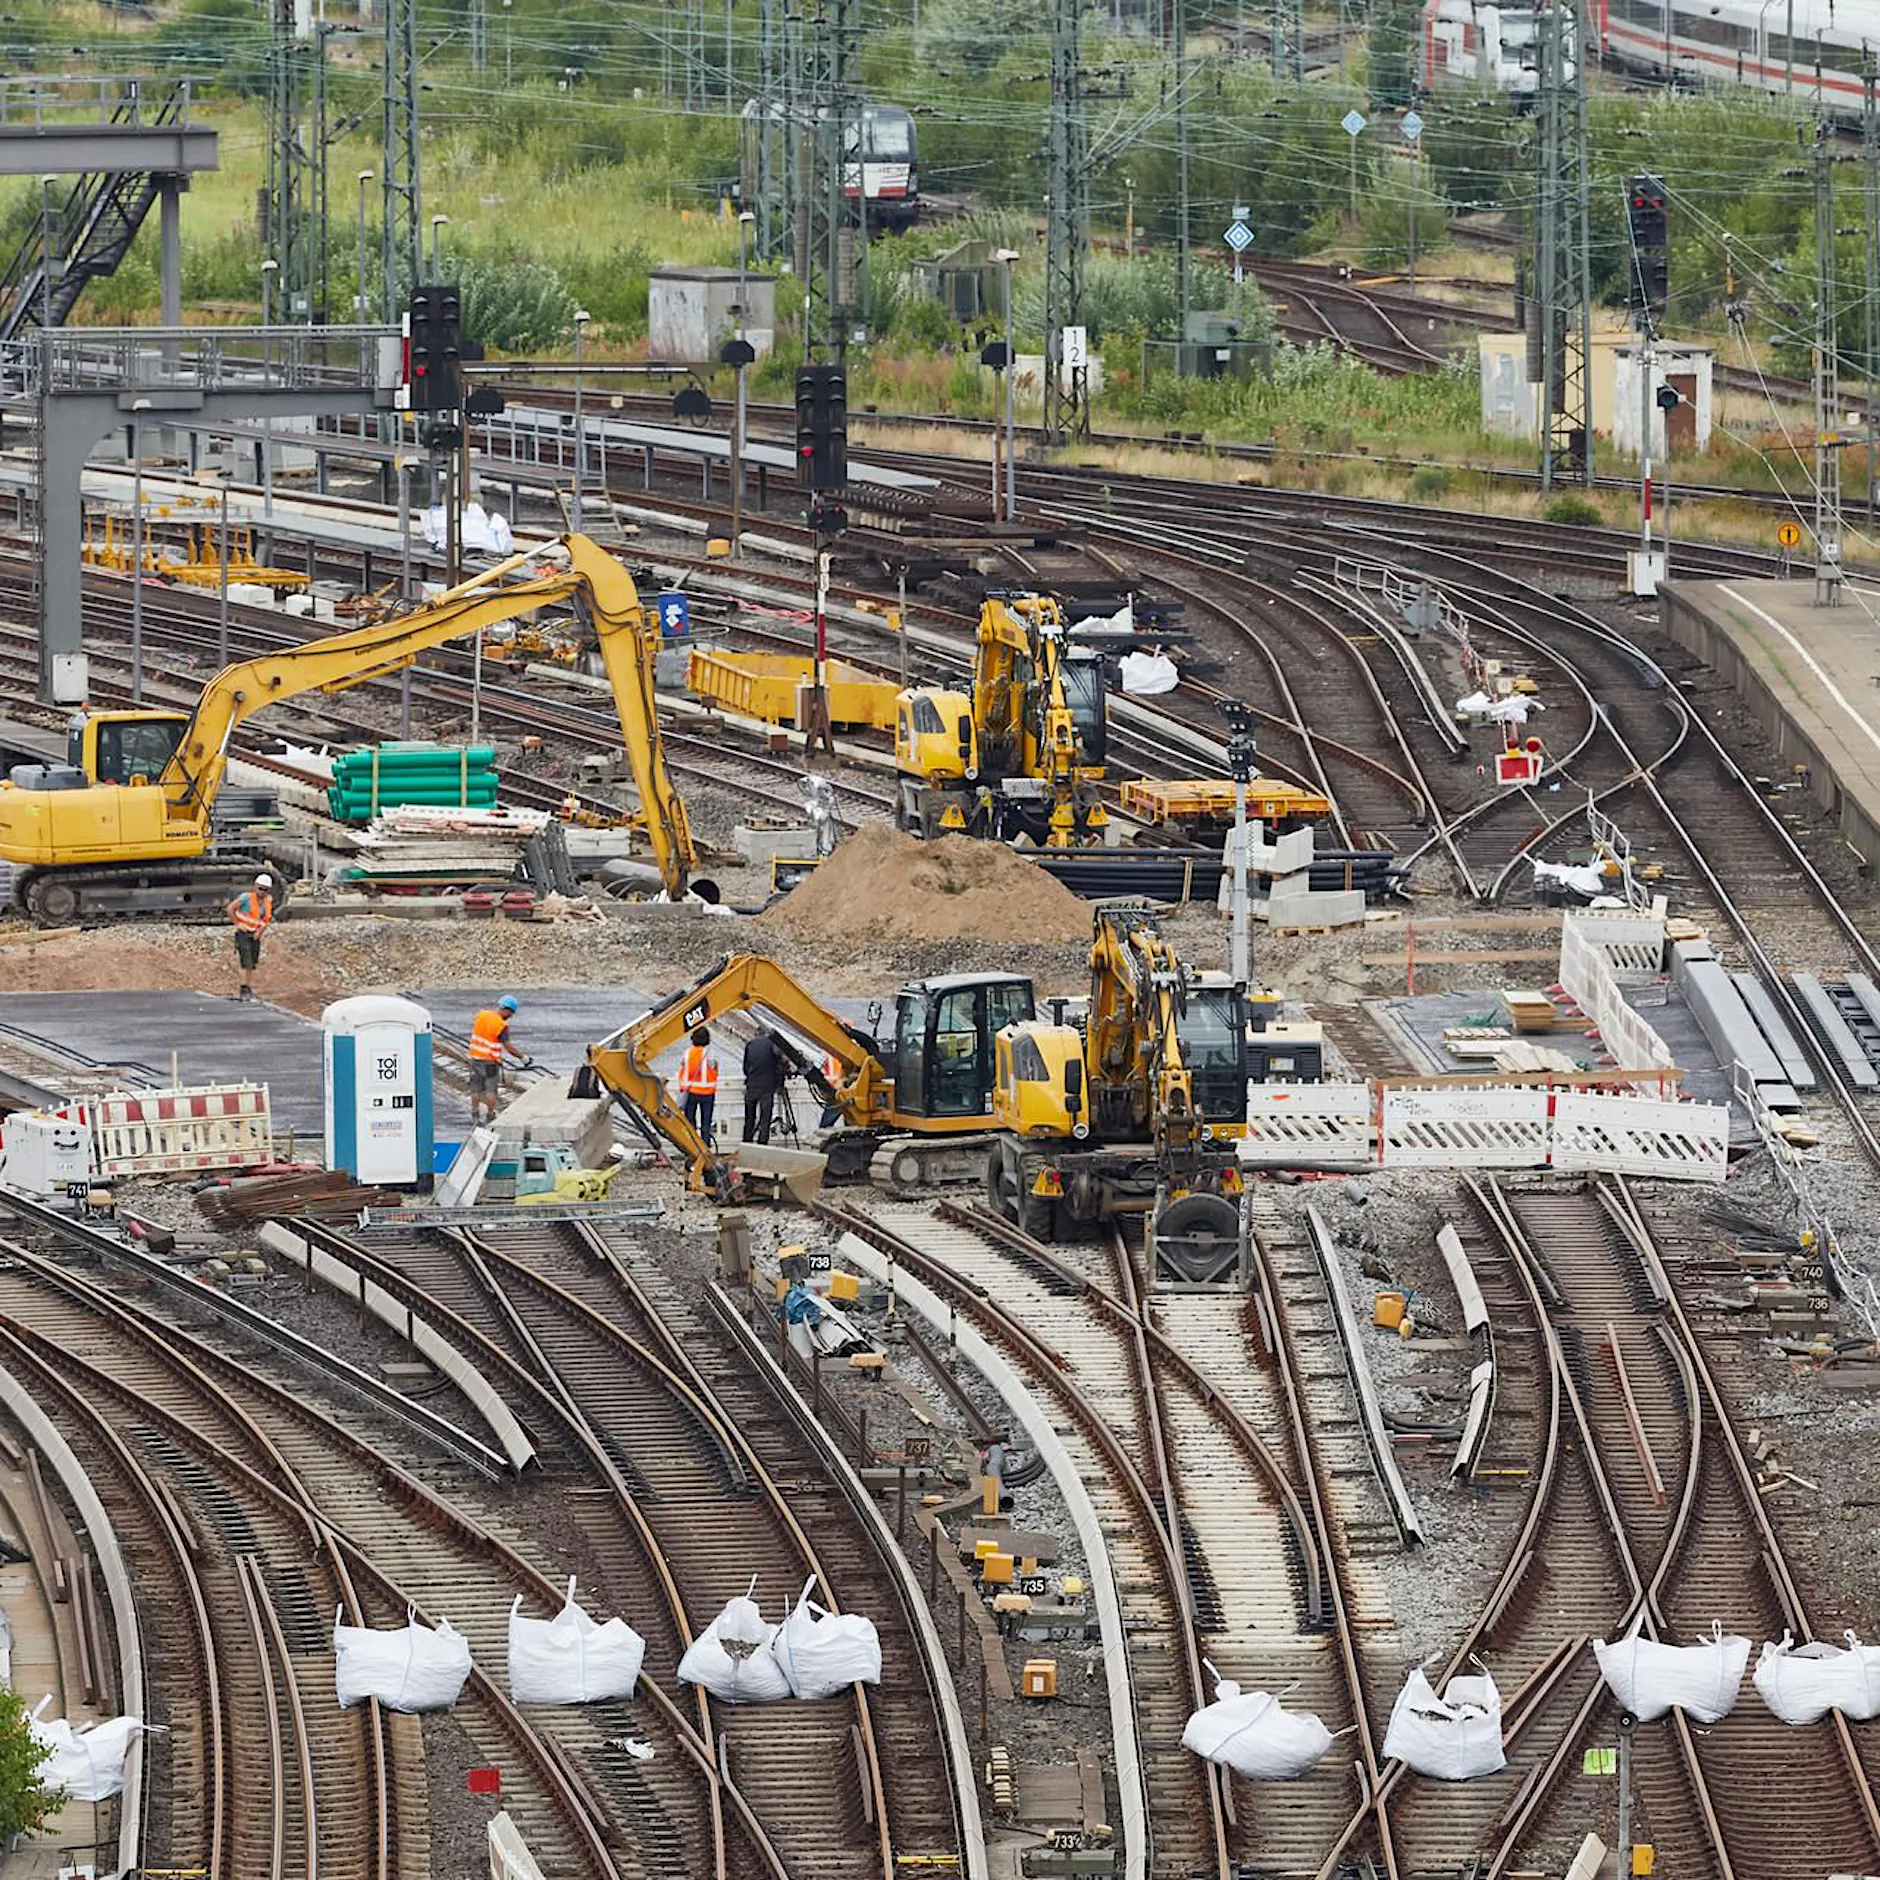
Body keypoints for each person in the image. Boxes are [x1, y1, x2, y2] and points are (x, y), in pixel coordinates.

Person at [468, 994, 526, 1126]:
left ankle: (475, 1114)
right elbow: (508, 1047)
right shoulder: (501, 1025)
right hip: (490, 1062)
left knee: (475, 1089)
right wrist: (523, 1057)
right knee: (490, 1090)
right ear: (506, 1009)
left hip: (475, 1058)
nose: (511, 1016)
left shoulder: (482, 1015)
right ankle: (490, 1115)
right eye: (511, 1013)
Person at [226, 872, 274, 1002]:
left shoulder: (267, 902)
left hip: (255, 935)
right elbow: (230, 909)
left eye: (265, 889)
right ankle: (243, 988)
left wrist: (260, 932)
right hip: (244, 933)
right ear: (255, 886)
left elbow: (265, 919)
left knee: (251, 963)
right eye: (260, 888)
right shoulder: (246, 898)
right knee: (245, 961)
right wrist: (237, 924)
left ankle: (248, 987)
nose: (262, 892)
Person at [678, 1026, 720, 1140]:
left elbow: (682, 1071)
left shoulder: (687, 1053)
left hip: (690, 1092)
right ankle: (704, 1146)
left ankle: (692, 1146)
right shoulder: (709, 1054)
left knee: (690, 1123)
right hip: (707, 1093)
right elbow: (714, 1068)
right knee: (706, 1123)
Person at [742, 1029, 783, 1144]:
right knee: (765, 1118)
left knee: (749, 1118)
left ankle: (747, 1142)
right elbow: (779, 1065)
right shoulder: (772, 1044)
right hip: (767, 1087)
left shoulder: (750, 1044)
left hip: (752, 1085)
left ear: (756, 1033)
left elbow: (745, 1068)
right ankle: (762, 1143)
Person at [818, 1052, 844, 1130]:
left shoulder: (826, 1053)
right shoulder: (844, 1052)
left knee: (826, 1124)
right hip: (838, 1090)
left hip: (834, 1089)